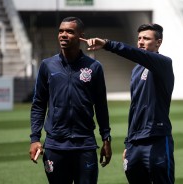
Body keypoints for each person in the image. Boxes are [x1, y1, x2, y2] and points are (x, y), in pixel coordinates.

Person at [80, 23, 175, 184]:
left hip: (156, 139)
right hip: (135, 144)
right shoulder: (136, 70)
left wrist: (107, 44)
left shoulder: (164, 63)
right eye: (139, 38)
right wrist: (128, 143)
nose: (141, 42)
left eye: (146, 38)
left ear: (159, 42)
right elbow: (135, 109)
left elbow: (135, 53)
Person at [29, 17, 112, 184]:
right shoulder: (47, 65)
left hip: (85, 145)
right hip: (55, 146)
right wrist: (35, 139)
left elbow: (101, 106)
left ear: (81, 36)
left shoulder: (94, 67)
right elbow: (39, 104)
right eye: (61, 31)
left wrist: (106, 138)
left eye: (69, 31)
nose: (63, 35)